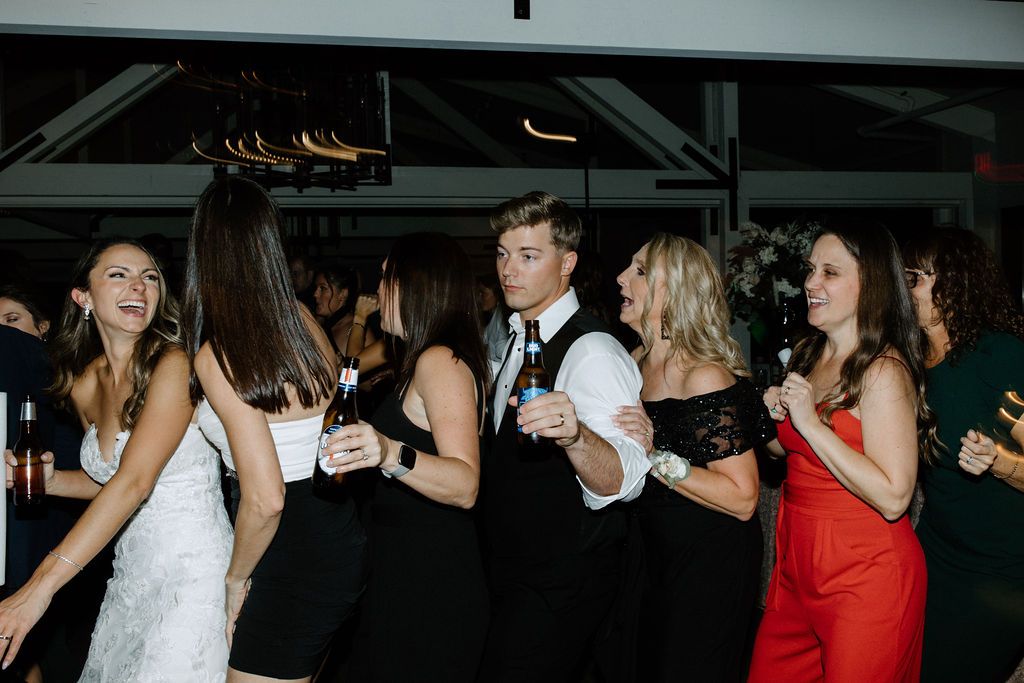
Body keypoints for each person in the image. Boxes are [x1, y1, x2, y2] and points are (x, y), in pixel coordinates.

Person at [0, 239, 233, 681]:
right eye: (119, 274)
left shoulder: (176, 363)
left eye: (149, 277)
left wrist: (38, 588)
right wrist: (51, 481)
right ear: (82, 297)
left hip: (194, 575)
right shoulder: (85, 383)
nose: (139, 286)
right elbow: (108, 481)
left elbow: (136, 482)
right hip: (130, 577)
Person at [182, 176, 366, 682]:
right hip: (337, 529)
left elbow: (267, 498)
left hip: (291, 550)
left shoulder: (219, 355)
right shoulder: (302, 319)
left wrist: (235, 579)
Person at [747, 222, 934, 682]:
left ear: (870, 285)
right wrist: (770, 419)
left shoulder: (883, 371)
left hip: (866, 575)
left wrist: (810, 422)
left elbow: (894, 496)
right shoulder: (808, 354)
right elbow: (787, 451)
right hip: (797, 567)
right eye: (812, 270)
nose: (811, 283)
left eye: (830, 272)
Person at [478, 191, 646, 682]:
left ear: (567, 262)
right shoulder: (517, 333)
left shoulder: (591, 348)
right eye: (503, 253)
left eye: (529, 256)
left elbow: (626, 480)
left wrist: (575, 438)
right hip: (514, 570)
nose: (510, 269)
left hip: (560, 583)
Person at [321, 231, 491, 682]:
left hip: (427, 577)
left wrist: (388, 451)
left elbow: (466, 483)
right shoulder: (419, 356)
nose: (377, 291)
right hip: (404, 566)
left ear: (417, 284)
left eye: (386, 278)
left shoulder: (440, 360)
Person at [610, 233, 776, 682]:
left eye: (641, 271)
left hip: (707, 558)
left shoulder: (702, 374)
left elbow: (743, 497)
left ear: (674, 291)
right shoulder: (634, 360)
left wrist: (654, 455)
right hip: (651, 546)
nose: (621, 278)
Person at [902, 227, 1024, 683]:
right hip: (936, 554)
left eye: (914, 277)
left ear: (953, 281)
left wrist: (1001, 462)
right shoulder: (909, 362)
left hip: (1000, 572)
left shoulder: (998, 356)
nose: (903, 287)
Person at [314, 263, 377, 357]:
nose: (315, 294)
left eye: (323, 288)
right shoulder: (322, 325)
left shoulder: (359, 330)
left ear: (343, 294)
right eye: (316, 288)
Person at [476, 274, 509, 367]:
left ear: (497, 295)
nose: (479, 298)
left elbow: (502, 349)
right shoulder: (493, 316)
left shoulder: (504, 315)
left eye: (483, 293)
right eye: (478, 293)